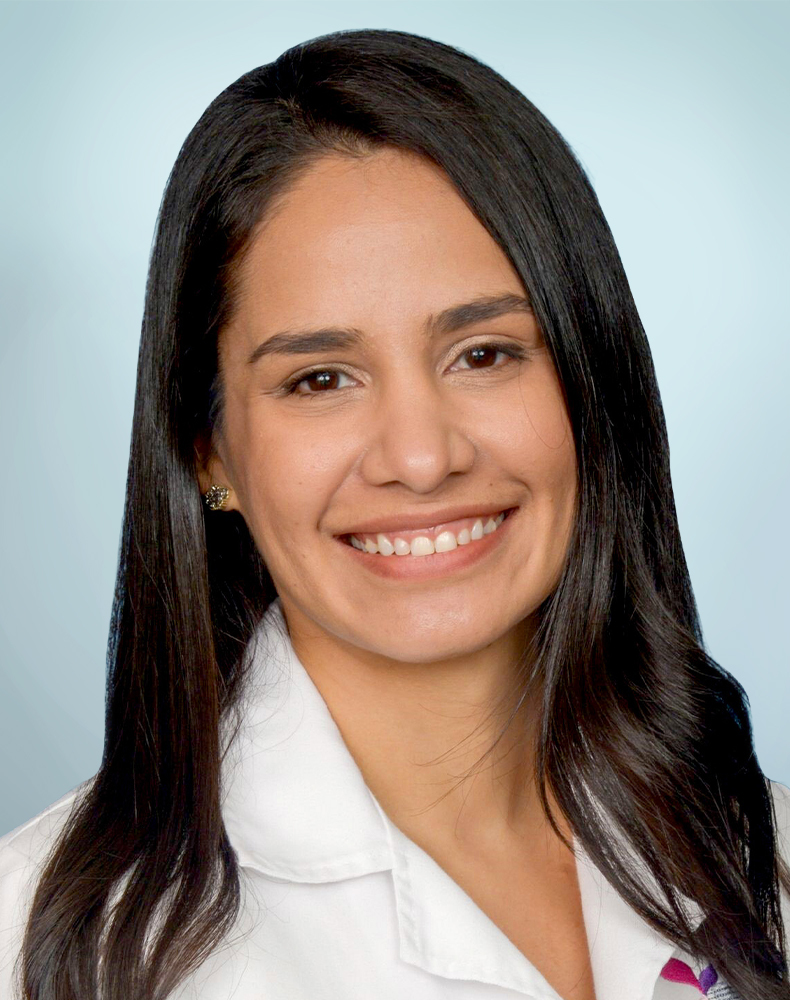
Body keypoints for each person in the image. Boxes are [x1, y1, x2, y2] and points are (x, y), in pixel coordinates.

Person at [1, 26, 788, 1000]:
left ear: (594, 383)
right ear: (209, 451)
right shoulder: (38, 941)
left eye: (484, 354)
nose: (420, 458)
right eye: (319, 378)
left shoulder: (762, 854)